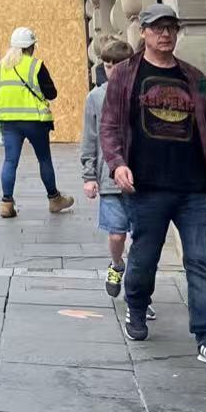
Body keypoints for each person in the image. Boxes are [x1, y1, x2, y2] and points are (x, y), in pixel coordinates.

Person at [99, 3, 206, 370]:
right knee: (145, 257)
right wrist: (117, 164)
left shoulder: (195, 78)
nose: (165, 34)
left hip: (192, 189)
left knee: (201, 262)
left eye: (171, 27)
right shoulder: (125, 74)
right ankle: (137, 306)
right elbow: (109, 126)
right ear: (143, 32)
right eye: (157, 27)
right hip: (147, 187)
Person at [0, 26, 73, 218]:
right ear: (31, 47)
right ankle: (54, 199)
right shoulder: (36, 65)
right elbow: (52, 93)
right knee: (44, 159)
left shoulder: (0, 66)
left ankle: (6, 203)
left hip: (9, 122)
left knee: (10, 161)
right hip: (35, 121)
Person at [80, 36, 142, 300]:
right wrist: (89, 176)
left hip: (142, 179)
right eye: (107, 66)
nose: (113, 71)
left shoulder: (142, 93)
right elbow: (90, 137)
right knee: (117, 235)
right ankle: (116, 265)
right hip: (109, 179)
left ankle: (139, 293)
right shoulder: (96, 97)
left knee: (142, 240)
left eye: (119, 65)